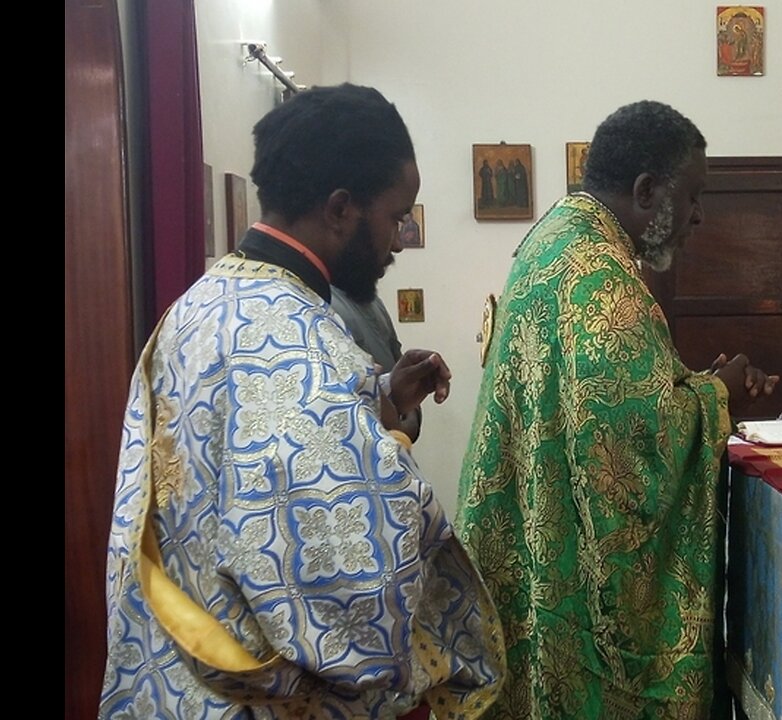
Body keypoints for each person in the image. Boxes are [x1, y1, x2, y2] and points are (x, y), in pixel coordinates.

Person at [99, 83, 505, 719]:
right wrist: (390, 447)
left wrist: (373, 399)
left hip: (173, 680)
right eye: (396, 217)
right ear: (342, 208)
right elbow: (353, 598)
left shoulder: (200, 305)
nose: (399, 241)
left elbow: (251, 477)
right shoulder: (294, 340)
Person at [454, 99, 778, 718]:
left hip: (529, 542)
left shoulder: (554, 241)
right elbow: (635, 462)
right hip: (576, 590)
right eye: (693, 196)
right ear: (647, 190)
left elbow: (601, 406)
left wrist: (695, 382)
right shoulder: (602, 282)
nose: (699, 216)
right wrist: (719, 395)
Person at [331, 282, 423, 442]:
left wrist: (412, 411)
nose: (394, 256)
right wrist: (395, 426)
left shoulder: (374, 303)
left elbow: (396, 364)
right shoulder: (324, 305)